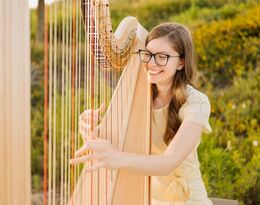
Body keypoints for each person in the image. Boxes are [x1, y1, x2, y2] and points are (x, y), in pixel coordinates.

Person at [70, 22, 213, 205]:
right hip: (149, 199)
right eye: (148, 54)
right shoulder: (139, 96)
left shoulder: (197, 103)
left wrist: (117, 158)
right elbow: (111, 147)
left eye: (162, 57)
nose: (151, 63)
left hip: (188, 200)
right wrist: (90, 131)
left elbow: (167, 163)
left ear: (181, 62)